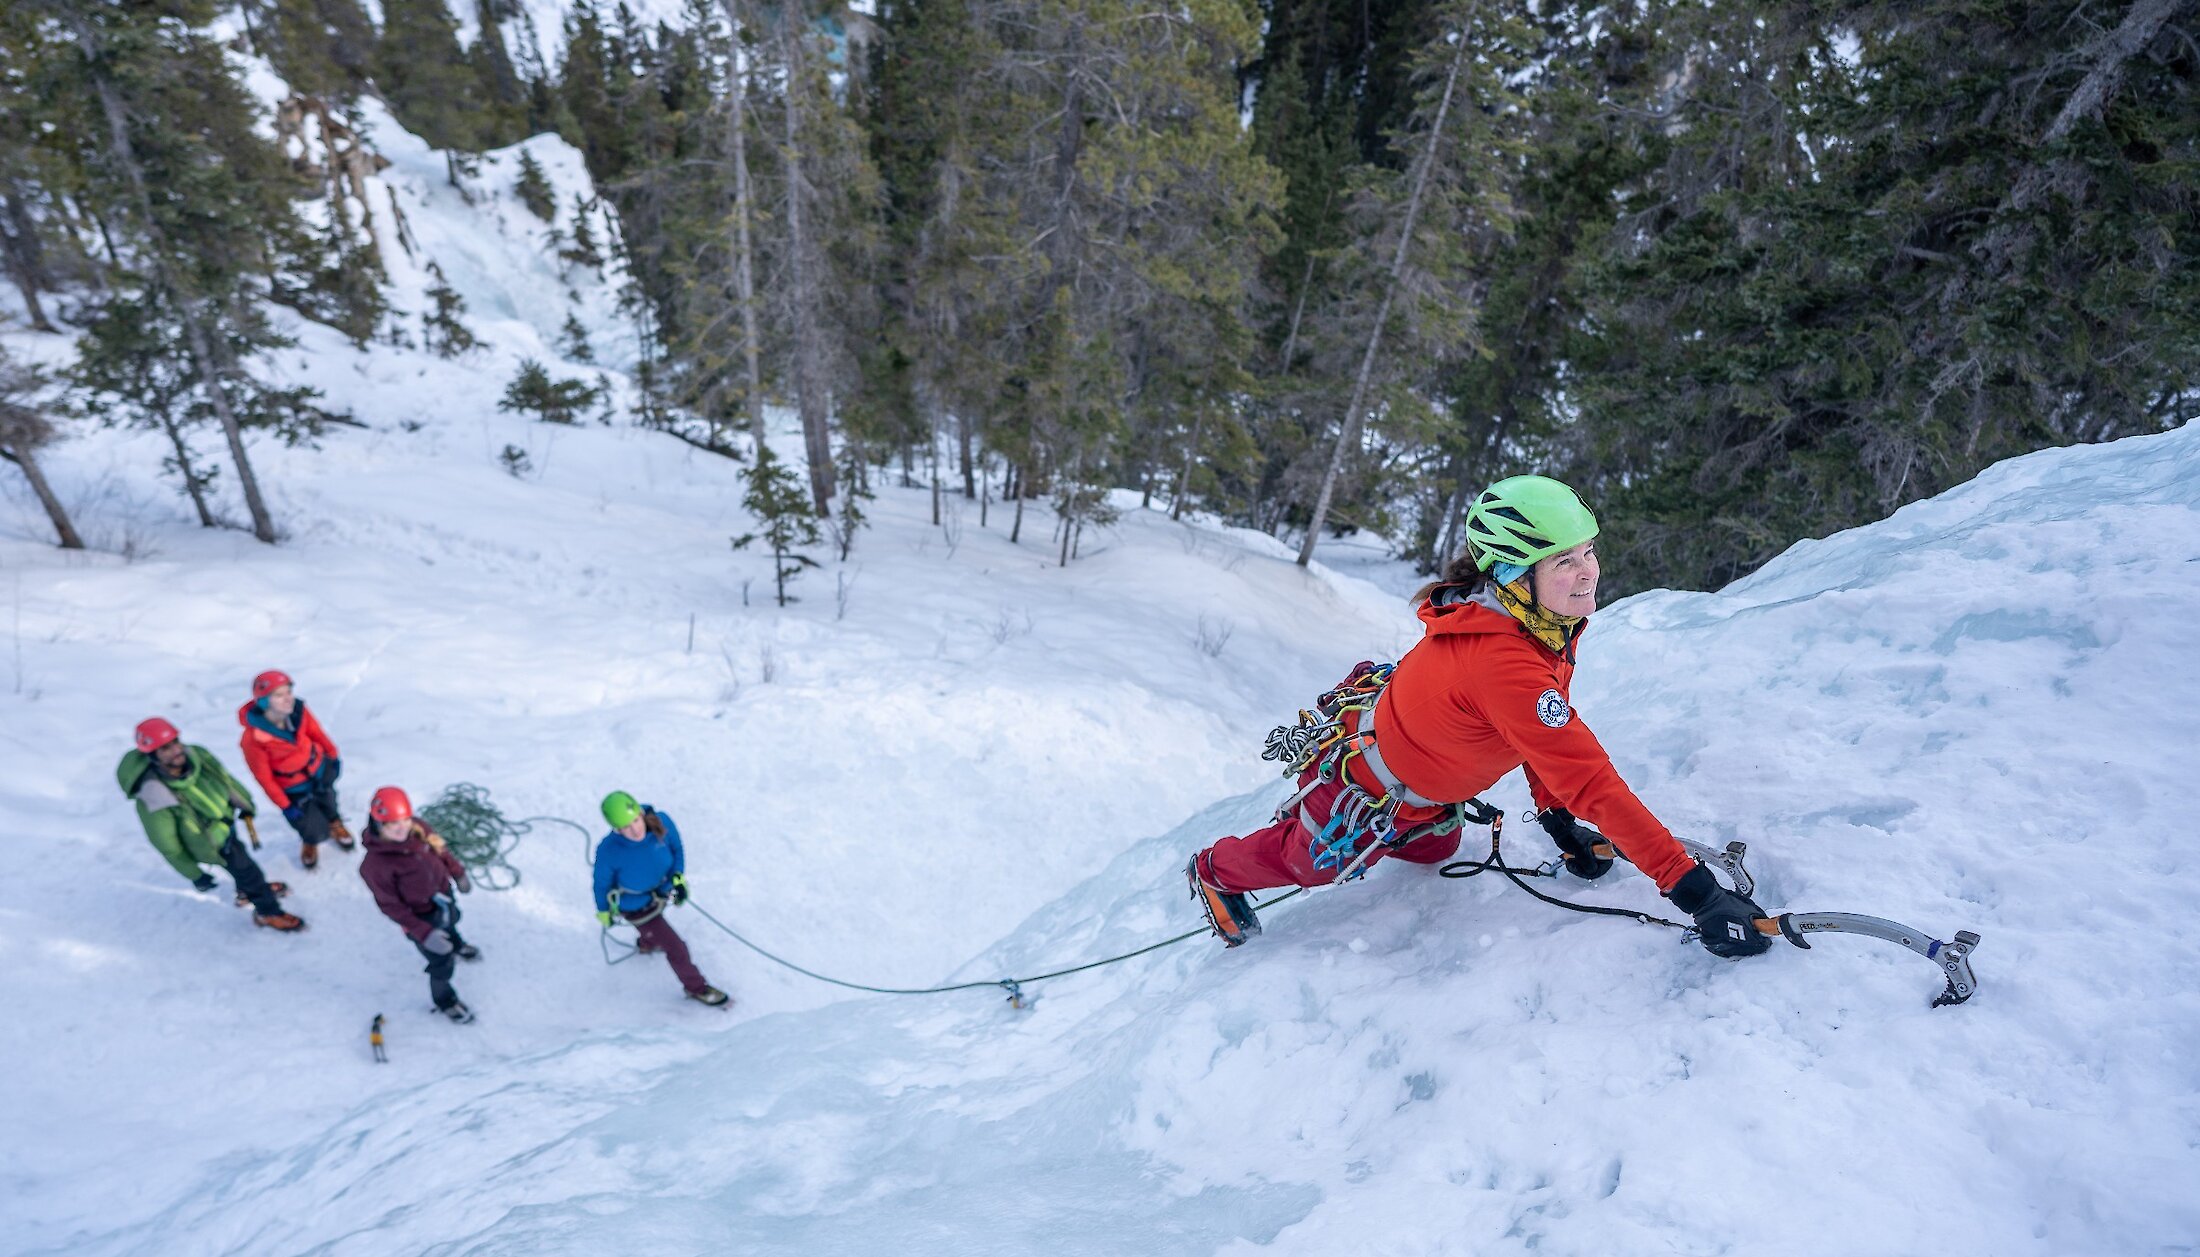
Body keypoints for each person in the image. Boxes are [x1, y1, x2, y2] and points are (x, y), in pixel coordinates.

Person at [1187, 475, 1772, 960]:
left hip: (1425, 790)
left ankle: (1413, 825)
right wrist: (1696, 893)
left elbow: (1542, 735)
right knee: (1308, 864)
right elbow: (1588, 777)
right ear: (1516, 576)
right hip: (1365, 785)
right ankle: (1214, 869)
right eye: (1564, 561)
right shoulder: (1505, 659)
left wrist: (1559, 822)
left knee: (1436, 851)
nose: (1589, 571)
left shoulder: (1540, 625)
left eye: (1588, 551)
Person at [117, 718, 304, 931]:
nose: (176, 750)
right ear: (152, 756)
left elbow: (225, 780)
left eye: (176, 742)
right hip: (208, 843)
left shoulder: (196, 756)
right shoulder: (154, 795)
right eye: (165, 749)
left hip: (225, 826)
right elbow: (167, 845)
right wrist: (195, 875)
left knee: (241, 866)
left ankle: (246, 892)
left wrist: (245, 804)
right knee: (249, 871)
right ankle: (268, 912)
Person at [592, 792, 729, 1007]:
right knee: (677, 948)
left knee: (655, 933)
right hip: (635, 906)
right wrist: (603, 910)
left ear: (640, 813)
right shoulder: (608, 851)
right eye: (625, 827)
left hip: (662, 892)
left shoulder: (662, 822)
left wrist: (678, 877)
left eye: (636, 820)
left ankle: (647, 942)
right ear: (616, 830)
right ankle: (696, 988)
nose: (635, 829)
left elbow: (677, 849)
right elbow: (601, 884)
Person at [358, 786, 481, 1023]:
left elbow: (440, 849)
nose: (402, 827)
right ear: (378, 824)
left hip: (442, 896)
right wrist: (424, 933)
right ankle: (446, 1001)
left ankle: (458, 945)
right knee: (440, 961)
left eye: (405, 819)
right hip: (420, 918)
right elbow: (390, 906)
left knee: (452, 923)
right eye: (393, 823)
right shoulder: (375, 865)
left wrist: (458, 873)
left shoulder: (418, 828)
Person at [237, 669, 349, 871]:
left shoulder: (298, 711)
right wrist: (285, 805)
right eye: (279, 695)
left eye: (288, 692)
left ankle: (336, 823)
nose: (288, 699)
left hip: (319, 768)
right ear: (264, 702)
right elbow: (264, 778)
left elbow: (317, 734)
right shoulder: (253, 739)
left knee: (329, 801)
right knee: (310, 825)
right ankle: (311, 840)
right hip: (293, 787)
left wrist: (333, 756)